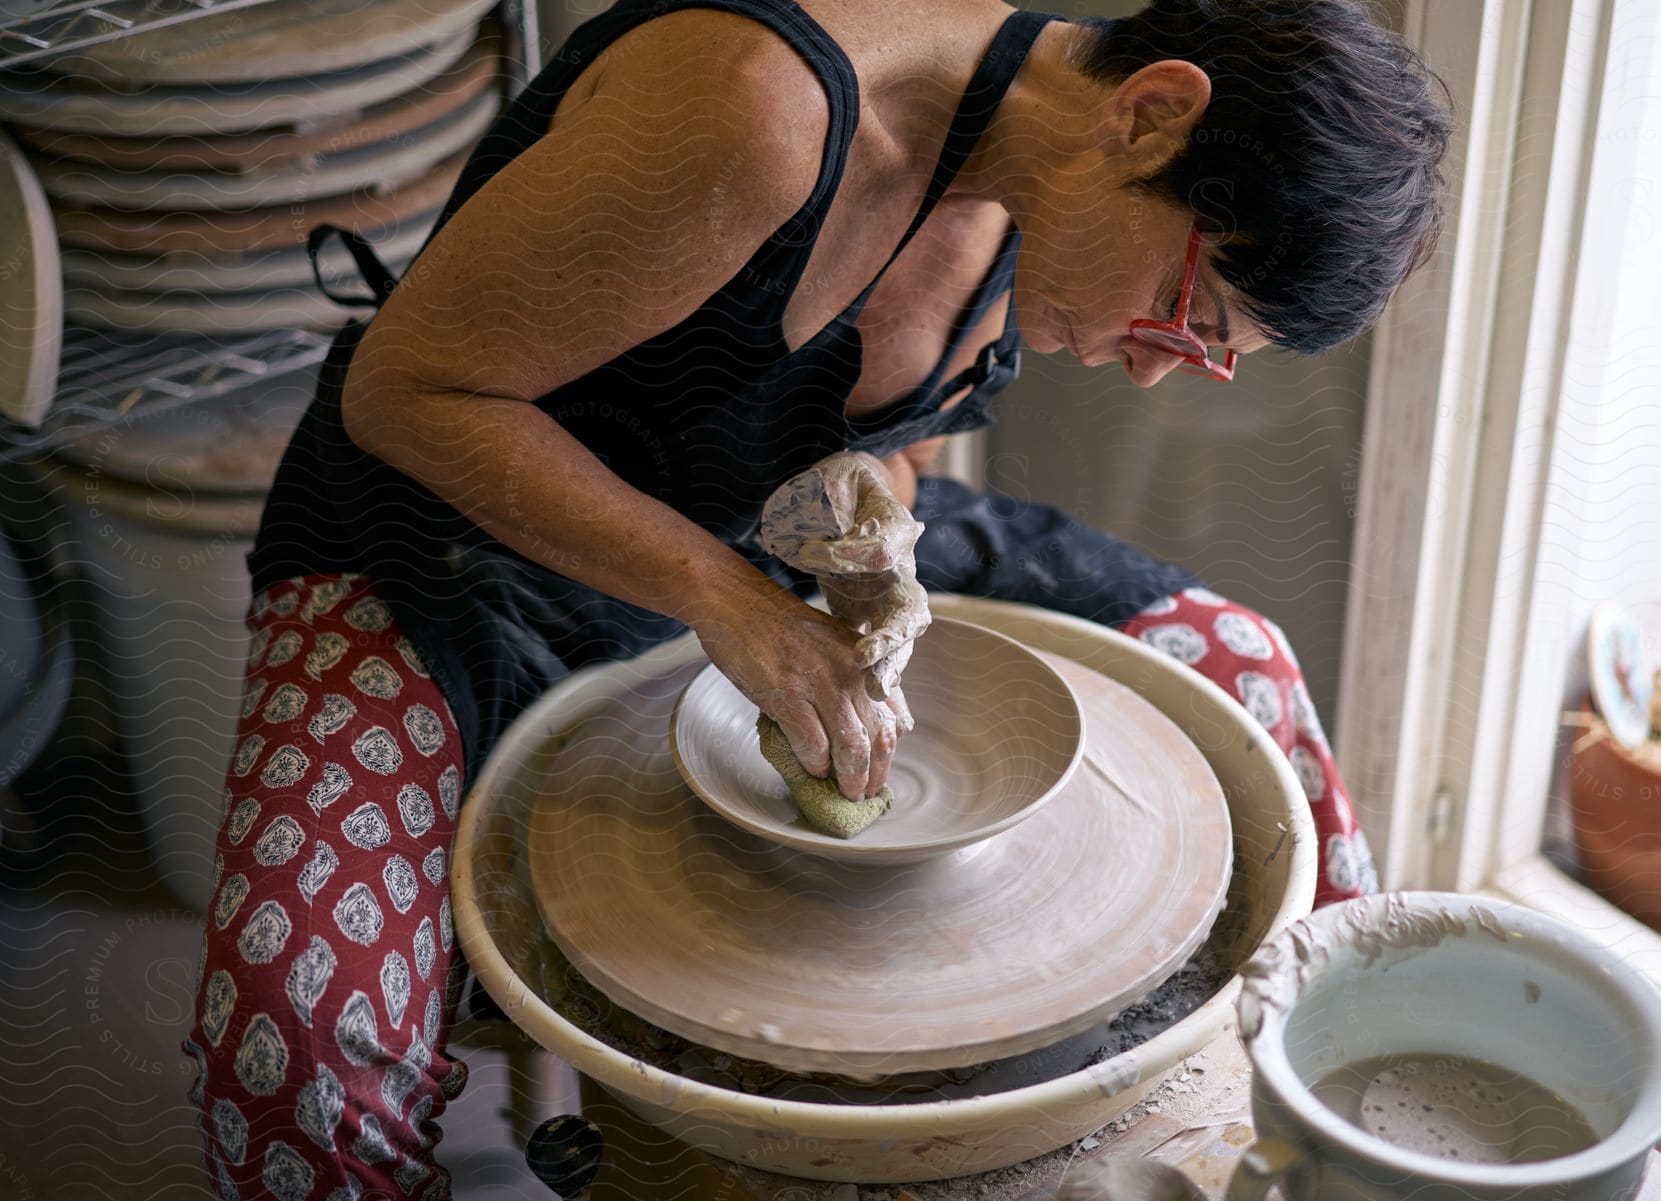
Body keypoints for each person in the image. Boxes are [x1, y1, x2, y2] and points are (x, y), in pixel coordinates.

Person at [184, 1, 1449, 1197]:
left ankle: (1330, 1134)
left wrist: (868, 539)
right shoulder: (756, 114)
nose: (1157, 371)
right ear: (1151, 114)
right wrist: (735, 604)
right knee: (296, 1030)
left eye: (1209, 353)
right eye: (1186, 313)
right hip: (444, 543)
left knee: (1238, 660)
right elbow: (408, 395)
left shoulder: (1029, 181)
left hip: (756, 535)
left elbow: (891, 434)